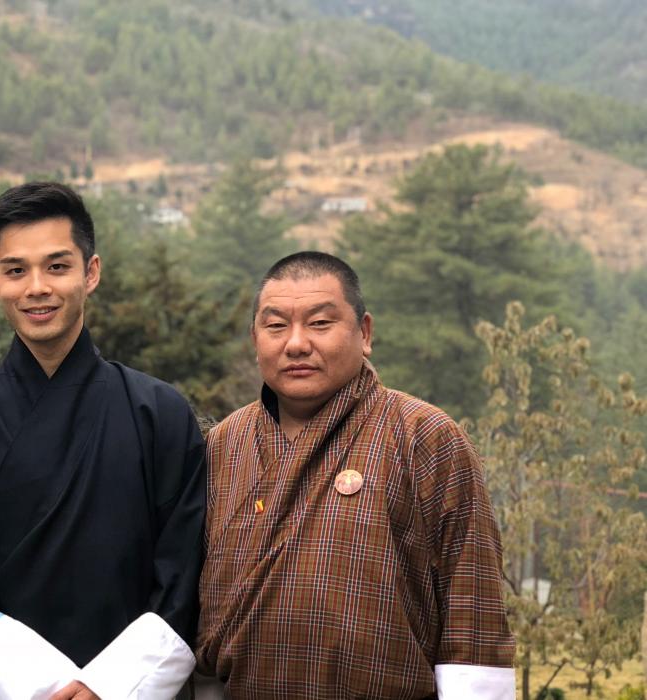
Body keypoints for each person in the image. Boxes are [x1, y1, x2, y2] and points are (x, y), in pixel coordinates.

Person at [0, 182, 207, 699]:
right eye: (16, 270)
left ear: (90, 272)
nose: (36, 287)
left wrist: (108, 687)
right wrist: (40, 690)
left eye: (56, 266)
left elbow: (185, 569)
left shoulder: (160, 414)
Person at [196, 251, 515, 699]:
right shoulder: (224, 445)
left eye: (320, 324)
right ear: (255, 339)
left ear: (364, 333)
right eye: (276, 325)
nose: (296, 343)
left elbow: (472, 604)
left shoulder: (423, 436)